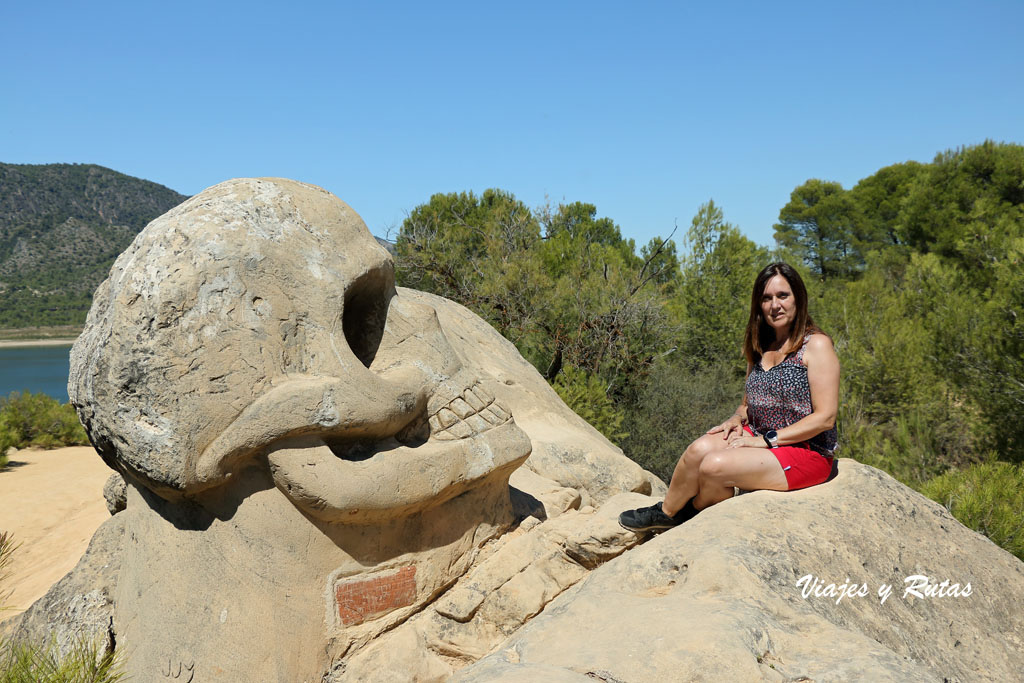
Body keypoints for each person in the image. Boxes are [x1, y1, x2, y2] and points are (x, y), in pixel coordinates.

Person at [619, 262, 839, 532]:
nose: (775, 305)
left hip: (805, 451)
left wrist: (767, 441)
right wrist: (736, 417)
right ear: (758, 304)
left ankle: (691, 514)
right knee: (698, 450)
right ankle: (667, 512)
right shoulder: (761, 344)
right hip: (757, 435)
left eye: (783, 296)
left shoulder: (816, 345)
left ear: (798, 298)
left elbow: (825, 418)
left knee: (714, 467)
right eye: (766, 298)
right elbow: (748, 404)